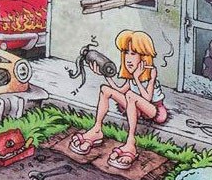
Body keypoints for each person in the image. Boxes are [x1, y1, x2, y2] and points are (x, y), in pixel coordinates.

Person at [70, 30, 168, 169]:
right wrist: (104, 74)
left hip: (153, 110)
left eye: (133, 53)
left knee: (130, 95)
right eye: (126, 53)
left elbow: (147, 98)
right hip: (135, 107)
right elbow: (119, 90)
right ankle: (96, 129)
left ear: (144, 56)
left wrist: (136, 78)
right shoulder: (131, 75)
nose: (128, 58)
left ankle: (131, 143)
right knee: (105, 89)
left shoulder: (150, 72)